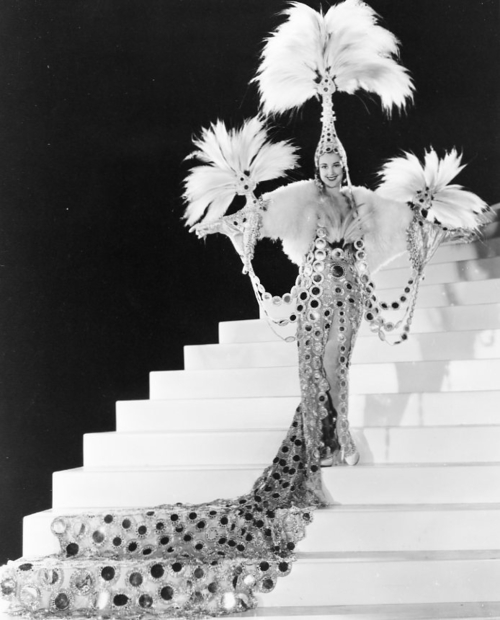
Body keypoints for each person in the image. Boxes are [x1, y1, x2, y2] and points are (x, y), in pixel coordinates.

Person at [0, 2, 490, 618]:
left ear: (344, 162)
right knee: (317, 368)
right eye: (324, 161)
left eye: (335, 161)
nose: (330, 167)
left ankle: (333, 440)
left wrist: (442, 224)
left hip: (350, 296)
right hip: (315, 296)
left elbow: (407, 222)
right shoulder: (302, 195)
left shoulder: (364, 201)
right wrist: (228, 220)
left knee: (339, 368)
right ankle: (318, 448)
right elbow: (261, 215)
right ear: (317, 163)